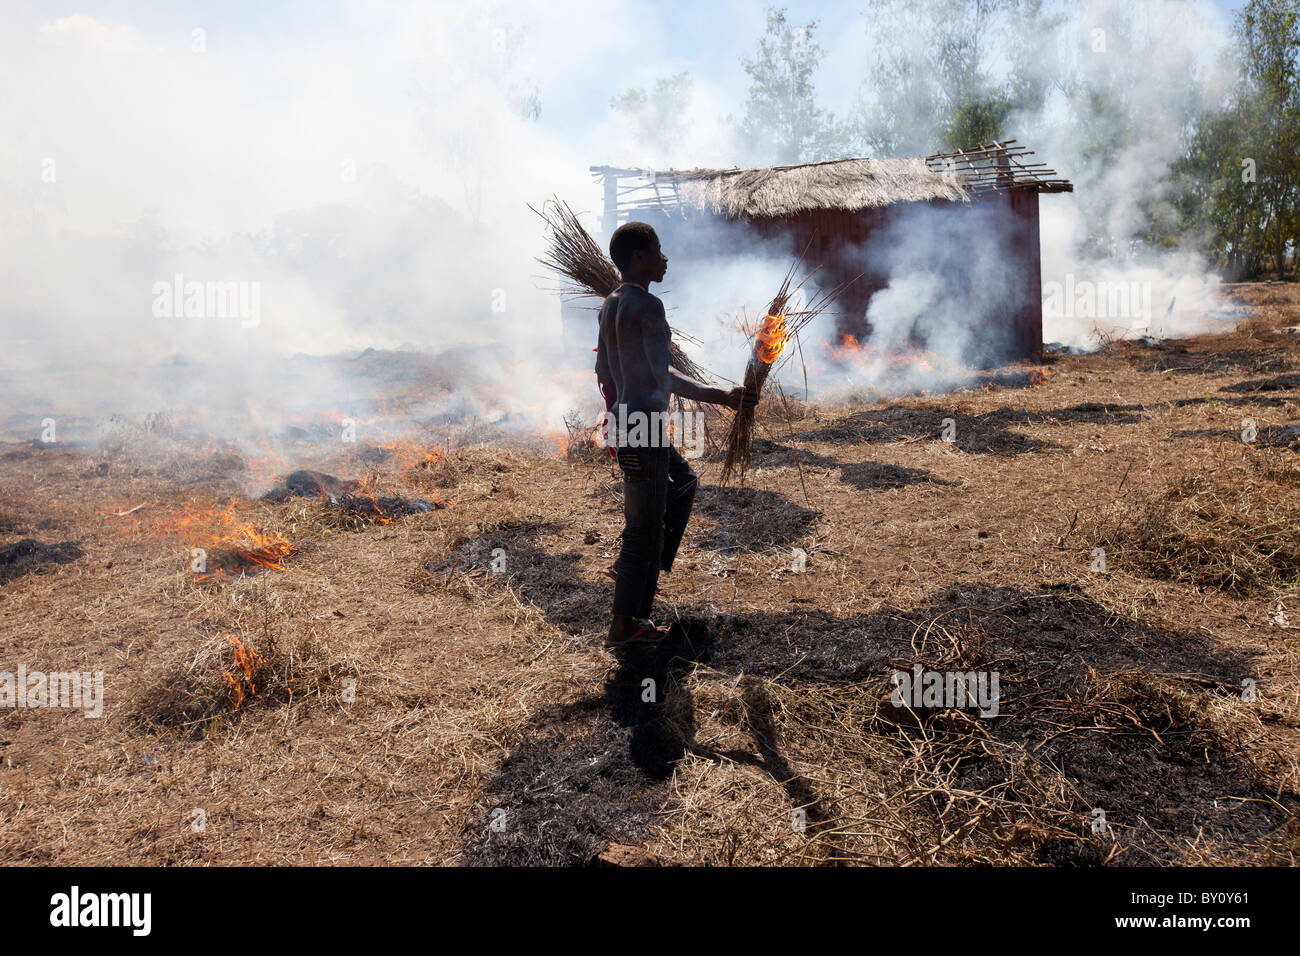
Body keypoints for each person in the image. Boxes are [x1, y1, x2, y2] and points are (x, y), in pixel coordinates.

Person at [595, 221, 757, 650]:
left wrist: (615, 427)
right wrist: (719, 394)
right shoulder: (647, 306)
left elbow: (603, 374)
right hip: (641, 426)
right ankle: (625, 627)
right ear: (638, 258)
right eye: (658, 251)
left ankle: (642, 567)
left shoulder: (610, 304)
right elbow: (660, 374)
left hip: (631, 422)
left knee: (684, 483)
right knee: (642, 530)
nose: (665, 259)